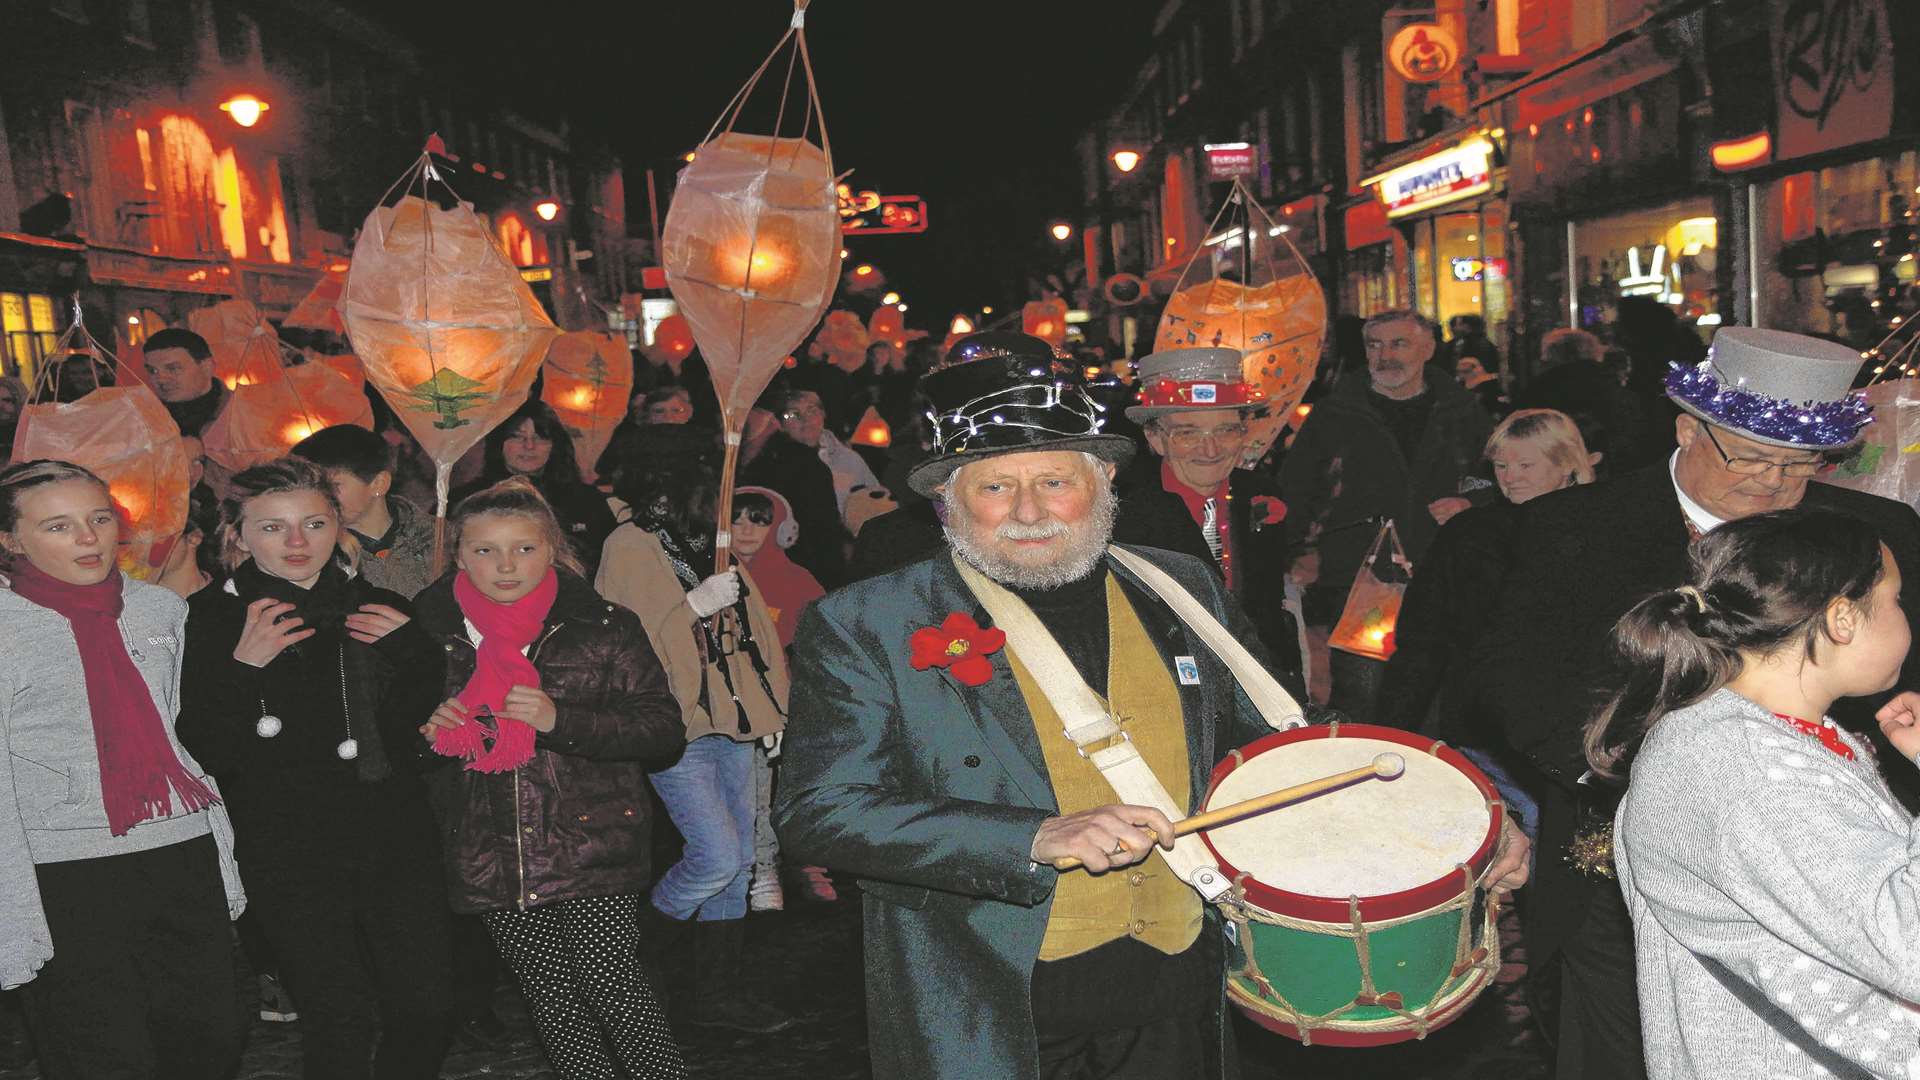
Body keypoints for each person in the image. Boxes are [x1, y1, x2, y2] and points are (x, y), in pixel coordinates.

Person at [774, 333, 1531, 1080]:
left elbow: (1281, 750)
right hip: (996, 997)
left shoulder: (1180, 588)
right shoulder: (866, 621)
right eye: (995, 486)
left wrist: (1471, 833)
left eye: (1056, 481)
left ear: (1104, 482)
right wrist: (1032, 836)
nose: (1030, 510)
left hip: (1177, 985)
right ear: (947, 502)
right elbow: (819, 809)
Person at [1471, 328, 1920, 1080]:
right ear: (1688, 429)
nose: (1774, 482)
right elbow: (1512, 683)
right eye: (1749, 456)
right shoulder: (1571, 526)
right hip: (1609, 857)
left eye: (1798, 463)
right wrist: (1638, 784)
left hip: (1833, 855)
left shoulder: (1874, 535)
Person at [1587, 509, 1918, 1079]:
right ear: (1842, 619)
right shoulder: (1740, 766)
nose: (1904, 616)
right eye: (1894, 598)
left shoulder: (1772, 735)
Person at [177, 457, 454, 1080]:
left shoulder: (379, 607)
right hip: (288, 845)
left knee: (429, 1006)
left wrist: (415, 658)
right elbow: (204, 751)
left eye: (313, 523)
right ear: (238, 535)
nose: (297, 543)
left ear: (339, 525)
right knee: (338, 1016)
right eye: (272, 527)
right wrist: (243, 669)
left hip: (392, 834)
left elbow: (413, 733)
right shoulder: (211, 620)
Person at [411, 478, 687, 1079]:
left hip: (587, 839)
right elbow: (399, 745)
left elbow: (662, 730)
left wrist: (561, 720)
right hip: (488, 847)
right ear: (458, 554)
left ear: (552, 548)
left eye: (524, 548)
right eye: (485, 551)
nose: (505, 566)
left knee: (617, 990)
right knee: (553, 1001)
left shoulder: (603, 624)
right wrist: (429, 736)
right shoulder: (430, 633)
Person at [0, 459, 244, 1078]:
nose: (89, 539)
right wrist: (13, 918)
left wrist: (222, 860)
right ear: (10, 541)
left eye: (100, 518)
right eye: (59, 526)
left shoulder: (159, 610)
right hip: (66, 868)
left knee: (211, 1037)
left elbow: (183, 737)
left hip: (179, 847)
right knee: (104, 1053)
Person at [596, 423, 792, 1034]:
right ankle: (626, 964)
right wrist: (692, 610)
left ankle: (714, 995)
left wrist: (773, 709)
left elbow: (754, 630)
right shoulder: (629, 544)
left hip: (730, 719)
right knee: (716, 856)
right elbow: (626, 645)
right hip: (677, 723)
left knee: (734, 865)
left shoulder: (704, 540)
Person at [1377, 409, 1598, 828]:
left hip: (1573, 732)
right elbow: (1424, 636)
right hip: (1482, 727)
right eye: (1501, 465)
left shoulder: (1602, 533)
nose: (1510, 476)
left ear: (1566, 464)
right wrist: (1393, 730)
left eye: (1525, 465)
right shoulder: (1470, 533)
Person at [1279, 309, 1495, 721]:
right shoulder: (1335, 414)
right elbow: (1298, 489)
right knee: (1364, 694)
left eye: (1399, 343)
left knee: (1436, 693)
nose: (1385, 355)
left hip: (1440, 570)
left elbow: (1492, 479)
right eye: (1375, 345)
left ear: (1428, 349)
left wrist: (1468, 504)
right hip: (1356, 575)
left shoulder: (1461, 411)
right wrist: (1297, 556)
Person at [1123, 346, 1307, 692]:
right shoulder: (1125, 518)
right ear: (1155, 438)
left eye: (1226, 431)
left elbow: (1267, 609)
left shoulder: (1261, 495)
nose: (1211, 451)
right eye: (1189, 433)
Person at [729, 485, 830, 910]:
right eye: (736, 519)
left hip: (788, 706)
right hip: (730, 709)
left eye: (759, 519)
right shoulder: (707, 576)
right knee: (749, 794)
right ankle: (761, 871)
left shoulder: (797, 581)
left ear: (781, 528)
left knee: (793, 789)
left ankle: (810, 864)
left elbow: (822, 647)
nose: (746, 529)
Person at [456, 400, 616, 577]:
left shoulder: (587, 501)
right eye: (517, 436)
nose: (529, 446)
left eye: (540, 437)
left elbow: (609, 563)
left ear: (554, 445)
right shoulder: (469, 500)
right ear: (499, 443)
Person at [292, 424, 437, 599]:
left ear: (379, 483)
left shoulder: (443, 539)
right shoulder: (303, 549)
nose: (318, 497)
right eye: (311, 486)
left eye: (332, 486)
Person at [141, 327, 227, 438]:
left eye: (173, 369)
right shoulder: (143, 420)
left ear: (207, 367)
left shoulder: (242, 413)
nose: (160, 379)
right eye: (153, 371)